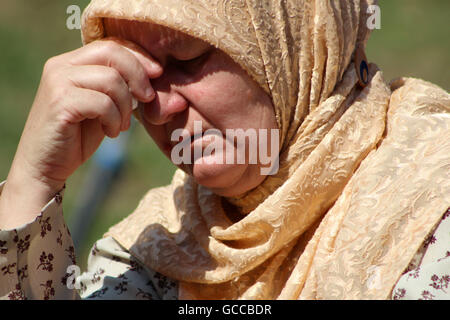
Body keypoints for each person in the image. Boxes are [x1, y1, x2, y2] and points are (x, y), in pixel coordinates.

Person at [0, 0, 449, 300]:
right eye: (136, 74)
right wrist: (30, 187)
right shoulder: (155, 251)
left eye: (188, 58)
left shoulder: (431, 210)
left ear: (290, 40)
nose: (159, 109)